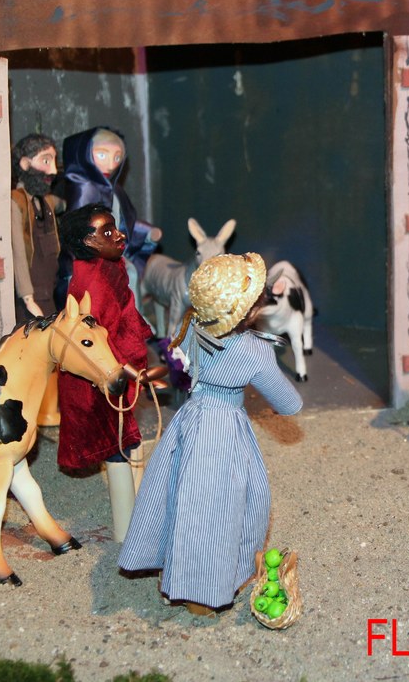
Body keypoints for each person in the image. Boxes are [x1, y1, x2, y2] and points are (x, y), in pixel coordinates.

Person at [118, 252, 302, 616]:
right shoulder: (254, 350)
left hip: (192, 418)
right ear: (249, 311)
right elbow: (289, 403)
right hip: (224, 428)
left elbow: (182, 364)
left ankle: (174, 571)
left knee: (179, 492)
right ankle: (203, 588)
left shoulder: (192, 327)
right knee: (217, 507)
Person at [57, 204, 155, 542]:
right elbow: (94, 343)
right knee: (115, 442)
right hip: (99, 378)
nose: (119, 235)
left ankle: (140, 510)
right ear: (88, 242)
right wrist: (131, 372)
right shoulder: (92, 283)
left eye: (115, 228)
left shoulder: (108, 266)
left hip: (119, 367)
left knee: (128, 436)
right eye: (107, 232)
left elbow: (124, 311)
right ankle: (127, 528)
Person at [56, 126, 162, 311]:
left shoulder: (114, 189)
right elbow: (79, 231)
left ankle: (131, 318)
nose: (111, 164)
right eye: (102, 155)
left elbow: (122, 222)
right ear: (85, 154)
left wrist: (146, 232)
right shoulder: (84, 190)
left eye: (117, 157)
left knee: (129, 276)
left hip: (111, 252)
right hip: (90, 257)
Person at [10, 134, 63, 323]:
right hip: (31, 298)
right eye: (46, 161)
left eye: (54, 162)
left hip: (49, 290)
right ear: (25, 164)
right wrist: (27, 297)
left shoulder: (46, 202)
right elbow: (18, 253)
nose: (53, 170)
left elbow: (62, 204)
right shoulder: (16, 203)